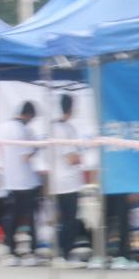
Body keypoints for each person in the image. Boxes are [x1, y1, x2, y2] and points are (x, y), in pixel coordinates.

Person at [0, 101, 41, 266]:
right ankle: (31, 252)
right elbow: (25, 156)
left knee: (11, 218)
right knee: (30, 219)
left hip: (8, 181)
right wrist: (37, 148)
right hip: (25, 182)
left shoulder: (1, 128)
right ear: (28, 115)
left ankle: (11, 251)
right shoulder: (23, 130)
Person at [50, 94, 86, 267]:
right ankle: (64, 254)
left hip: (59, 181)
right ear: (71, 108)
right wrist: (80, 157)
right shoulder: (63, 130)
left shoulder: (56, 127)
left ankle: (62, 253)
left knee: (65, 219)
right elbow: (72, 158)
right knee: (69, 220)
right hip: (67, 182)